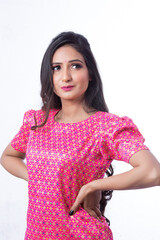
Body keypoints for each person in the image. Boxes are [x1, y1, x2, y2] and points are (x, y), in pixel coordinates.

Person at [0, 31, 160, 240]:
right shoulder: (37, 121)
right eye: (56, 68)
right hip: (36, 233)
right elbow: (8, 157)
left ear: (90, 73)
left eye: (76, 66)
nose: (65, 76)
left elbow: (153, 172)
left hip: (80, 234)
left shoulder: (105, 126)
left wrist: (94, 185)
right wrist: (42, 178)